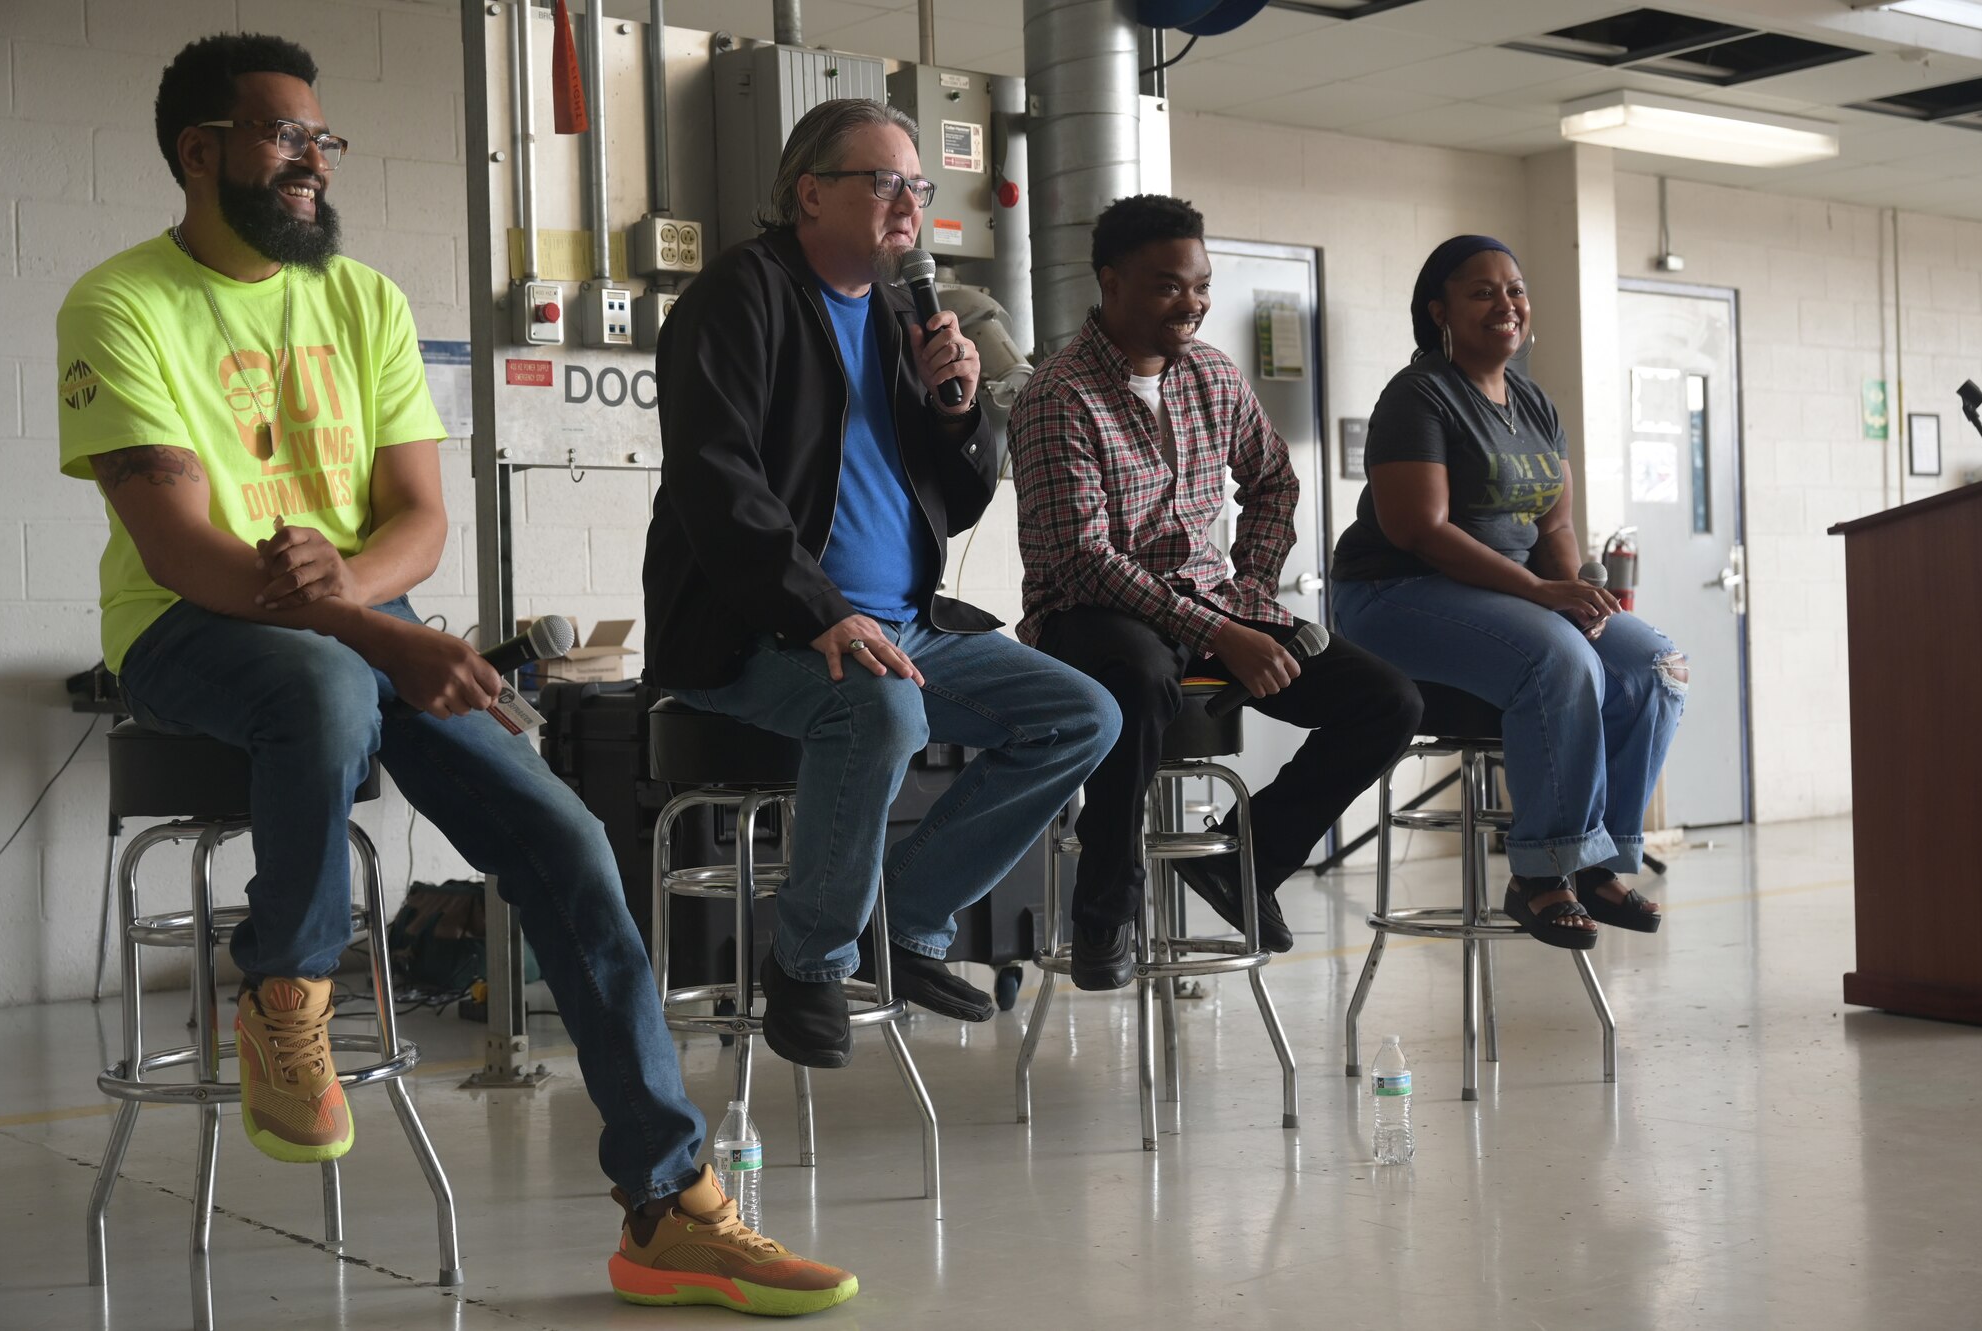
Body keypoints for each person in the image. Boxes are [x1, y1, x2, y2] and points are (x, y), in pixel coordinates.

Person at [58, 34, 855, 1315]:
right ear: (199, 154)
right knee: (319, 688)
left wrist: (363, 603)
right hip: (189, 625)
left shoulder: (362, 300)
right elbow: (180, 545)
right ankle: (286, 981)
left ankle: (670, 1206)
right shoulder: (120, 302)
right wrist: (381, 634)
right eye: (283, 136)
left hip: (373, 609)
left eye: (325, 138)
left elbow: (419, 520)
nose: (314, 161)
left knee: (568, 839)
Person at [644, 99, 1120, 1062]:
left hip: (904, 624)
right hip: (756, 632)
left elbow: (962, 497)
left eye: (919, 186)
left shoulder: (911, 310)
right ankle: (809, 961)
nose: (909, 204)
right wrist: (822, 613)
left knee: (1084, 716)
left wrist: (957, 414)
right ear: (809, 193)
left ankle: (902, 918)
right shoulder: (740, 296)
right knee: (885, 712)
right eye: (885, 182)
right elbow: (715, 476)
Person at [1009, 194, 1423, 991]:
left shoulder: (1212, 375)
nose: (1192, 303)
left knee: (1390, 702)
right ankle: (1105, 911)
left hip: (1209, 604)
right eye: (1169, 286)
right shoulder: (1058, 396)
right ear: (1112, 283)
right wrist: (1223, 632)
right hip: (1091, 612)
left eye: (1201, 285)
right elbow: (1089, 560)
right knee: (1135, 674)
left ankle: (1245, 860)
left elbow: (1272, 479)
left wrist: (1253, 591)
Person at [1330, 234, 1686, 947]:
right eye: (1482, 291)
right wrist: (1541, 595)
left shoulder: (1533, 403)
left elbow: (1556, 520)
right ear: (1440, 311)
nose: (1506, 303)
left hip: (1508, 598)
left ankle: (1602, 860)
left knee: (1652, 663)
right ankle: (1541, 872)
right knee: (1558, 657)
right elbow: (1420, 530)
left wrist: (1579, 593)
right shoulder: (1419, 395)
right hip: (1394, 594)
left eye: (1516, 290)